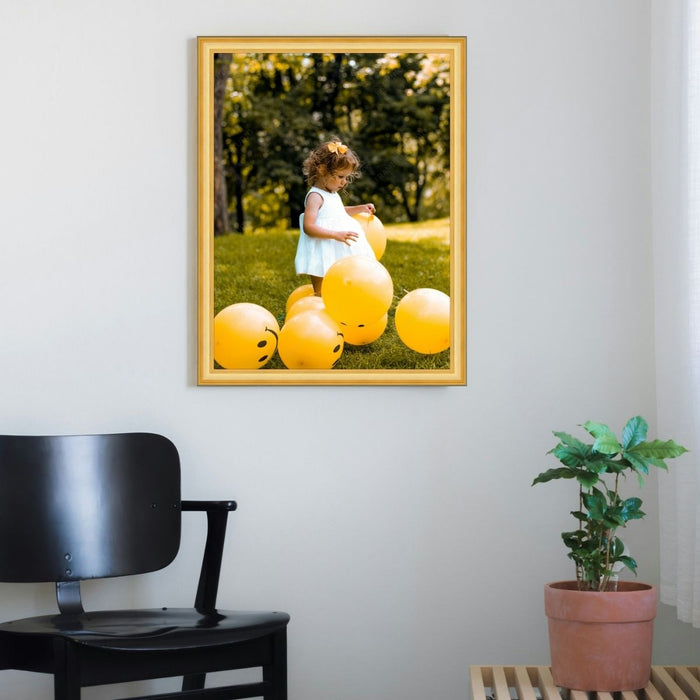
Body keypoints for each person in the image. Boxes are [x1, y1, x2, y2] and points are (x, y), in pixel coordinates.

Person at [294, 139, 377, 296]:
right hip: (322, 247)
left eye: (346, 177)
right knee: (322, 291)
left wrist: (360, 208)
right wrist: (335, 234)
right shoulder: (315, 196)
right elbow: (308, 226)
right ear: (322, 171)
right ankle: (318, 303)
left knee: (341, 285)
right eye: (340, 176)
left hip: (337, 246)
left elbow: (337, 212)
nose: (344, 182)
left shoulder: (332, 194)